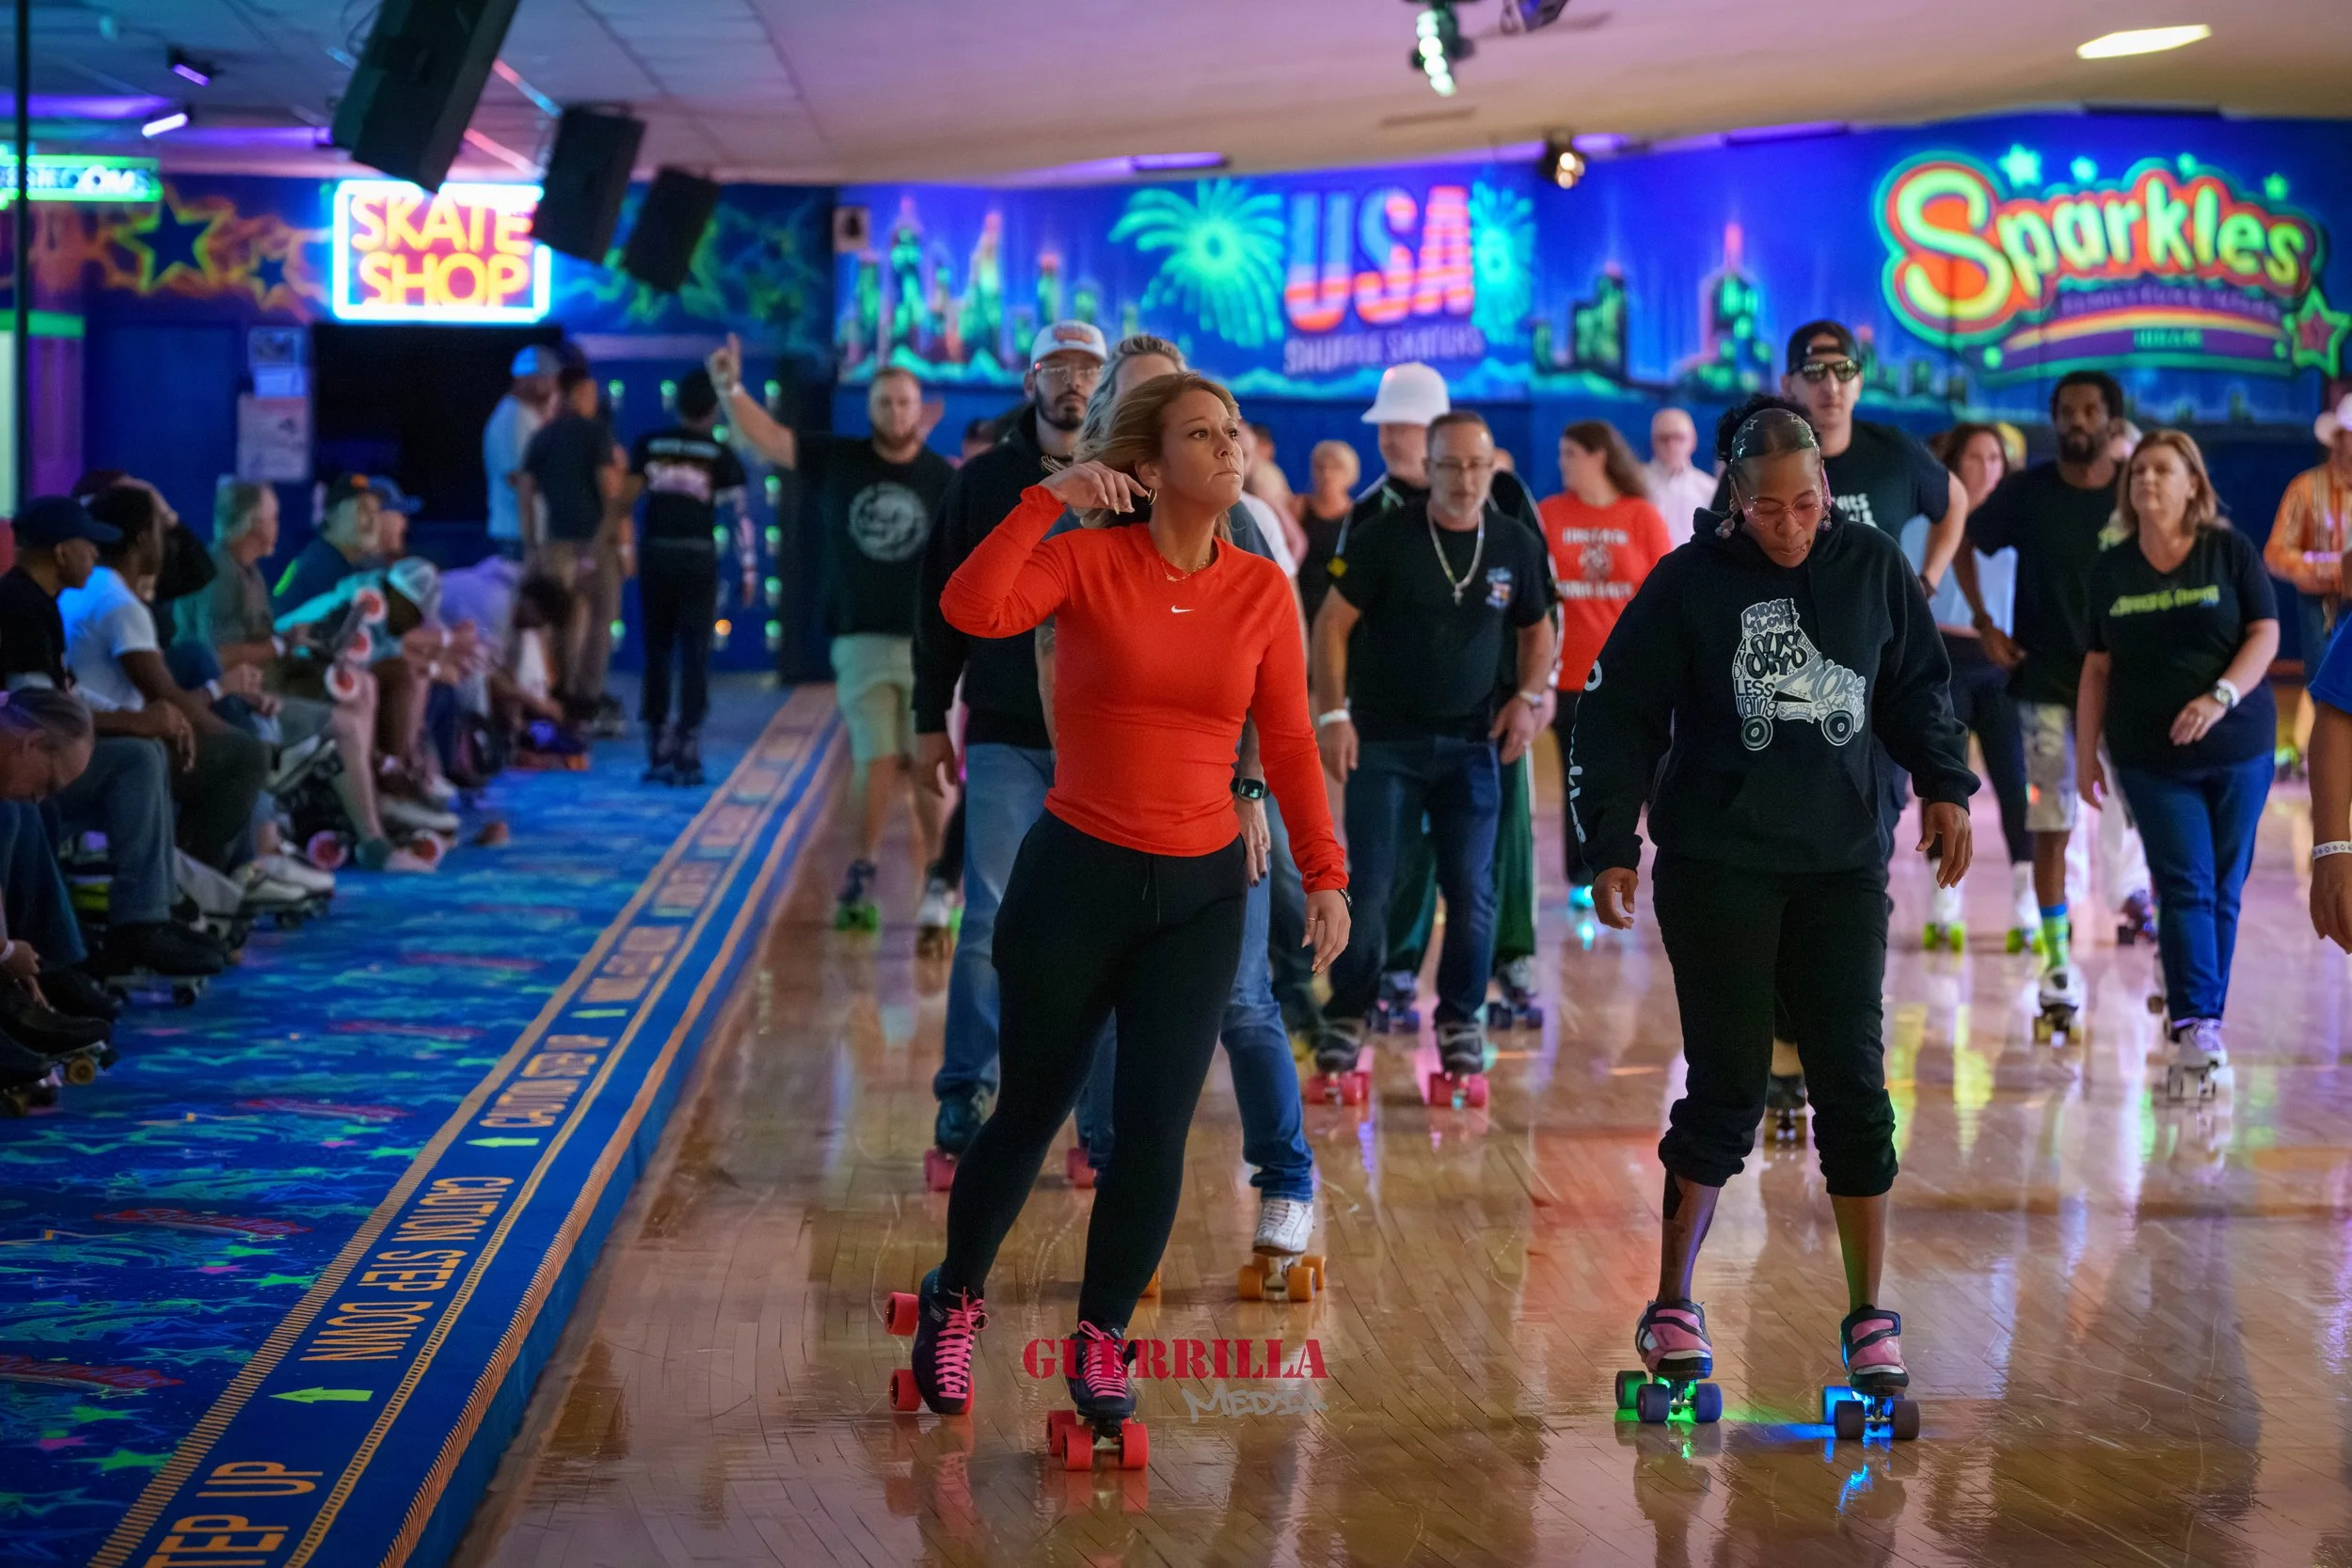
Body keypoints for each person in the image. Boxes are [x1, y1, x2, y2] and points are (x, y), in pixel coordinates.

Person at [895, 371, 1349, 1439]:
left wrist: (1323, 873)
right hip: (1076, 878)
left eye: (1233, 429)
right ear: (1148, 466)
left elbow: (1284, 743)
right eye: (1202, 433)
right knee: (1031, 1109)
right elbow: (972, 609)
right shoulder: (1088, 560)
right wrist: (1050, 499)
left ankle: (1101, 1337)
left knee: (1153, 1129)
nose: (1230, 445)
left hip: (1198, 895)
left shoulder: (1257, 591)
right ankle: (956, 1292)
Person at [1572, 399, 1976, 1414]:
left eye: (1810, 504)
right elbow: (1616, 712)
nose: (1794, 525)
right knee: (1728, 1086)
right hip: (1717, 864)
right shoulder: (1690, 581)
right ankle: (1670, 1302)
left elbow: (1918, 688)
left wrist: (1944, 784)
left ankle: (1869, 1315)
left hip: (1840, 864)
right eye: (1772, 511)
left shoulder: (1873, 567)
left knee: (1852, 1080)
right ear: (1734, 501)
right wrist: (1609, 843)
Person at [1043, 335, 1321, 1259]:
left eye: (1220, 425)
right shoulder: (1092, 536)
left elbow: (1271, 697)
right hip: (1107, 821)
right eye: (1180, 422)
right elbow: (1047, 660)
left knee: (1243, 1002)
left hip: (1215, 813)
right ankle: (1113, 1167)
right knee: (1107, 1009)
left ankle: (1285, 1178)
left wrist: (1247, 791)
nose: (1219, 445)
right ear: (1135, 440)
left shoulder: (1241, 525)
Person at [912, 320, 1108, 1165]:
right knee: (990, 916)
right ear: (1031, 379)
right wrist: (928, 717)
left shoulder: (1131, 480)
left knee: (1101, 932)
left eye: (1087, 371)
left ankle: (1098, 1119)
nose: (1072, 384)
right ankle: (967, 1089)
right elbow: (939, 603)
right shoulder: (985, 480)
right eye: (1057, 369)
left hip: (1107, 742)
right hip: (1003, 735)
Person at [1310, 410, 1556, 1085]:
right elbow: (1331, 625)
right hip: (1385, 741)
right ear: (1430, 465)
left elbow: (1540, 628)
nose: (1465, 479)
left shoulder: (1513, 542)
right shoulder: (1385, 536)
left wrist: (1528, 697)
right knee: (1375, 885)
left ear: (1491, 467)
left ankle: (1458, 1019)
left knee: (1473, 891)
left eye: (1478, 465)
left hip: (1473, 744)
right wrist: (1334, 712)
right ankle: (1349, 1012)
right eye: (1450, 465)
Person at [710, 343, 956, 928]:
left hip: (930, 645)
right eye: (885, 402)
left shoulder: (945, 479)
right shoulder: (838, 459)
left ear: (921, 411)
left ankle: (940, 880)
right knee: (877, 758)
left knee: (926, 767)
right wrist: (730, 390)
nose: (896, 412)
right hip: (860, 638)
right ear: (868, 408)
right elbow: (769, 439)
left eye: (904, 403)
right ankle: (864, 869)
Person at [2078, 432, 2277, 1091]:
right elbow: (2096, 667)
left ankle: (2202, 1017)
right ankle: (2197, 1026)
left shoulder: (2229, 550)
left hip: (2240, 747)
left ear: (2194, 483)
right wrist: (2086, 755)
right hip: (2150, 756)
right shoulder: (2110, 568)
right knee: (2186, 882)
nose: (2147, 481)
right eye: (2139, 472)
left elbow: (2266, 632)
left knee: (2224, 885)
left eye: (2163, 470)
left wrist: (2220, 696)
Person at [1964, 370, 2154, 1030]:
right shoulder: (2026, 492)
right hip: (2046, 689)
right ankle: (2056, 964)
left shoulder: (2138, 491)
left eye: (2090, 410)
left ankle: (2163, 957)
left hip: (2131, 686)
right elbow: (1963, 535)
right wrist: (1985, 622)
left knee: (2148, 817)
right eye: (2066, 411)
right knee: (2052, 827)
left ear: (2111, 420)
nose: (2077, 421)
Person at [0, 497, 223, 979]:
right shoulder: (18, 606)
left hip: (33, 759)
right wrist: (136, 721)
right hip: (23, 766)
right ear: (62, 551)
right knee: (136, 759)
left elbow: (66, 693)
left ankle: (151, 911)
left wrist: (135, 715)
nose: (97, 556)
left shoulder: (38, 601)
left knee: (142, 751)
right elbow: (35, 714)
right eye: (89, 545)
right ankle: (139, 921)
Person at [63, 485, 281, 895]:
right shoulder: (118, 602)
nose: (167, 543)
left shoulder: (91, 588)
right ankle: (193, 888)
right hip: (108, 745)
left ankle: (198, 879)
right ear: (145, 538)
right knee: (245, 755)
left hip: (102, 735)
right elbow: (165, 694)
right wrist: (231, 737)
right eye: (161, 531)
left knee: (224, 735)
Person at [1541, 420, 1670, 905]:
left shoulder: (1641, 516)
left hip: (1633, 677)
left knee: (1653, 775)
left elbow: (1663, 599)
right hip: (1570, 678)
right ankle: (1584, 878)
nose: (1562, 463)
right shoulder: (1549, 514)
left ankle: (1670, 868)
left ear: (1599, 455)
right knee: (1582, 782)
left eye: (1570, 453)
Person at [1922, 424, 2039, 952]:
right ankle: (1943, 902)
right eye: (1978, 456)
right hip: (1945, 660)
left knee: (2014, 785)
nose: (1990, 467)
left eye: (1997, 458)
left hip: (2003, 668)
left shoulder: (2020, 524)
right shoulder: (1932, 519)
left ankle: (2027, 902)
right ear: (1956, 462)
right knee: (1946, 786)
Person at [620, 369, 753, 787]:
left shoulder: (649, 444)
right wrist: (749, 569)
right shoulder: (719, 454)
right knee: (696, 652)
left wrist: (620, 549)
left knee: (656, 651)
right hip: (698, 561)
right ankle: (688, 745)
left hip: (656, 556)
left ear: (677, 404)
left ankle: (656, 743)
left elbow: (625, 502)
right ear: (713, 409)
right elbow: (739, 518)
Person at [516, 364, 626, 722]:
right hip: (592, 544)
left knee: (563, 621)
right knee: (599, 622)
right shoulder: (595, 435)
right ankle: (586, 700)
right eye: (591, 392)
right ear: (579, 393)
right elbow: (610, 491)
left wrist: (533, 543)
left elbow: (526, 491)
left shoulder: (543, 436)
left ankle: (559, 691)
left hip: (555, 545)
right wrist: (614, 541)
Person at [2266, 393, 2352, 769]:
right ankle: (2327, 766)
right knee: (2326, 685)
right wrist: (2312, 570)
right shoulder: (2305, 488)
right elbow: (2275, 552)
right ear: (2337, 439)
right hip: (2322, 606)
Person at [485, 344, 559, 562]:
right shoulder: (513, 418)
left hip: (530, 534)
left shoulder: (528, 415)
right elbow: (517, 478)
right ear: (528, 380)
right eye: (546, 378)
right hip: (517, 535)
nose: (552, 385)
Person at [1292, 439, 1359, 623]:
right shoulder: (1299, 507)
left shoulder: (1357, 516)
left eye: (1335, 468)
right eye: (1321, 467)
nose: (1327, 474)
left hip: (1334, 601)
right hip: (1298, 597)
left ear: (1350, 475)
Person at [1644, 407, 1715, 534]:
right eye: (1664, 438)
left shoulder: (1708, 488)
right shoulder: (1635, 482)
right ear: (1653, 442)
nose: (1672, 445)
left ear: (1693, 441)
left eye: (1679, 437)